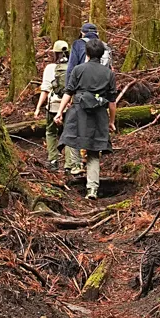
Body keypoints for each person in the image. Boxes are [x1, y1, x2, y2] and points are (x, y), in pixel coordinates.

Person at [64, 31, 116, 198]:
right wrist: (112, 121)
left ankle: (75, 167)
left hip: (79, 111)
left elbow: (68, 92)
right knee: (94, 153)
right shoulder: (108, 73)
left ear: (86, 53)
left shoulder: (78, 70)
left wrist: (59, 112)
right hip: (99, 114)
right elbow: (112, 101)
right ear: (102, 54)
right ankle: (92, 188)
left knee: (72, 138)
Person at [33, 40, 72, 170]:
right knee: (68, 133)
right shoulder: (74, 67)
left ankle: (53, 160)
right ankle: (69, 164)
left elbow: (45, 90)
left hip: (53, 106)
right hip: (69, 106)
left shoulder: (50, 68)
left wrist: (38, 108)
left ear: (55, 53)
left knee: (51, 132)